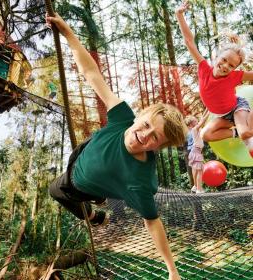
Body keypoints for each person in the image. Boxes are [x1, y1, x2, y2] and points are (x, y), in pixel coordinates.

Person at [46, 13, 188, 280]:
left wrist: (172, 269)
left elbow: (153, 222)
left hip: (77, 185)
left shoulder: (140, 181)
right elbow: (91, 74)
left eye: (154, 138)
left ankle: (95, 213)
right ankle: (100, 196)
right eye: (145, 125)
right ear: (141, 115)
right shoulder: (123, 117)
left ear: (160, 146)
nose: (144, 135)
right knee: (87, 151)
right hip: (86, 151)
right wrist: (68, 33)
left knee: (55, 190)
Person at [176, 1, 253, 157]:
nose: (225, 66)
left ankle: (246, 136)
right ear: (217, 56)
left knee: (246, 134)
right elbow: (189, 43)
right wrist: (179, 15)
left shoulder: (234, 76)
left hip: (237, 107)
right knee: (206, 135)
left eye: (231, 65)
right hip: (222, 116)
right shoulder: (204, 68)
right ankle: (239, 132)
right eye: (224, 60)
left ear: (235, 68)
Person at [185, 110, 210, 194]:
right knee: (199, 171)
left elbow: (203, 119)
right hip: (196, 151)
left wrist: (207, 108)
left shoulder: (197, 130)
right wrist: (210, 111)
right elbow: (203, 121)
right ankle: (199, 189)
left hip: (195, 152)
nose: (198, 121)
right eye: (196, 121)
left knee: (196, 170)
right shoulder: (195, 129)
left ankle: (195, 187)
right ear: (192, 124)